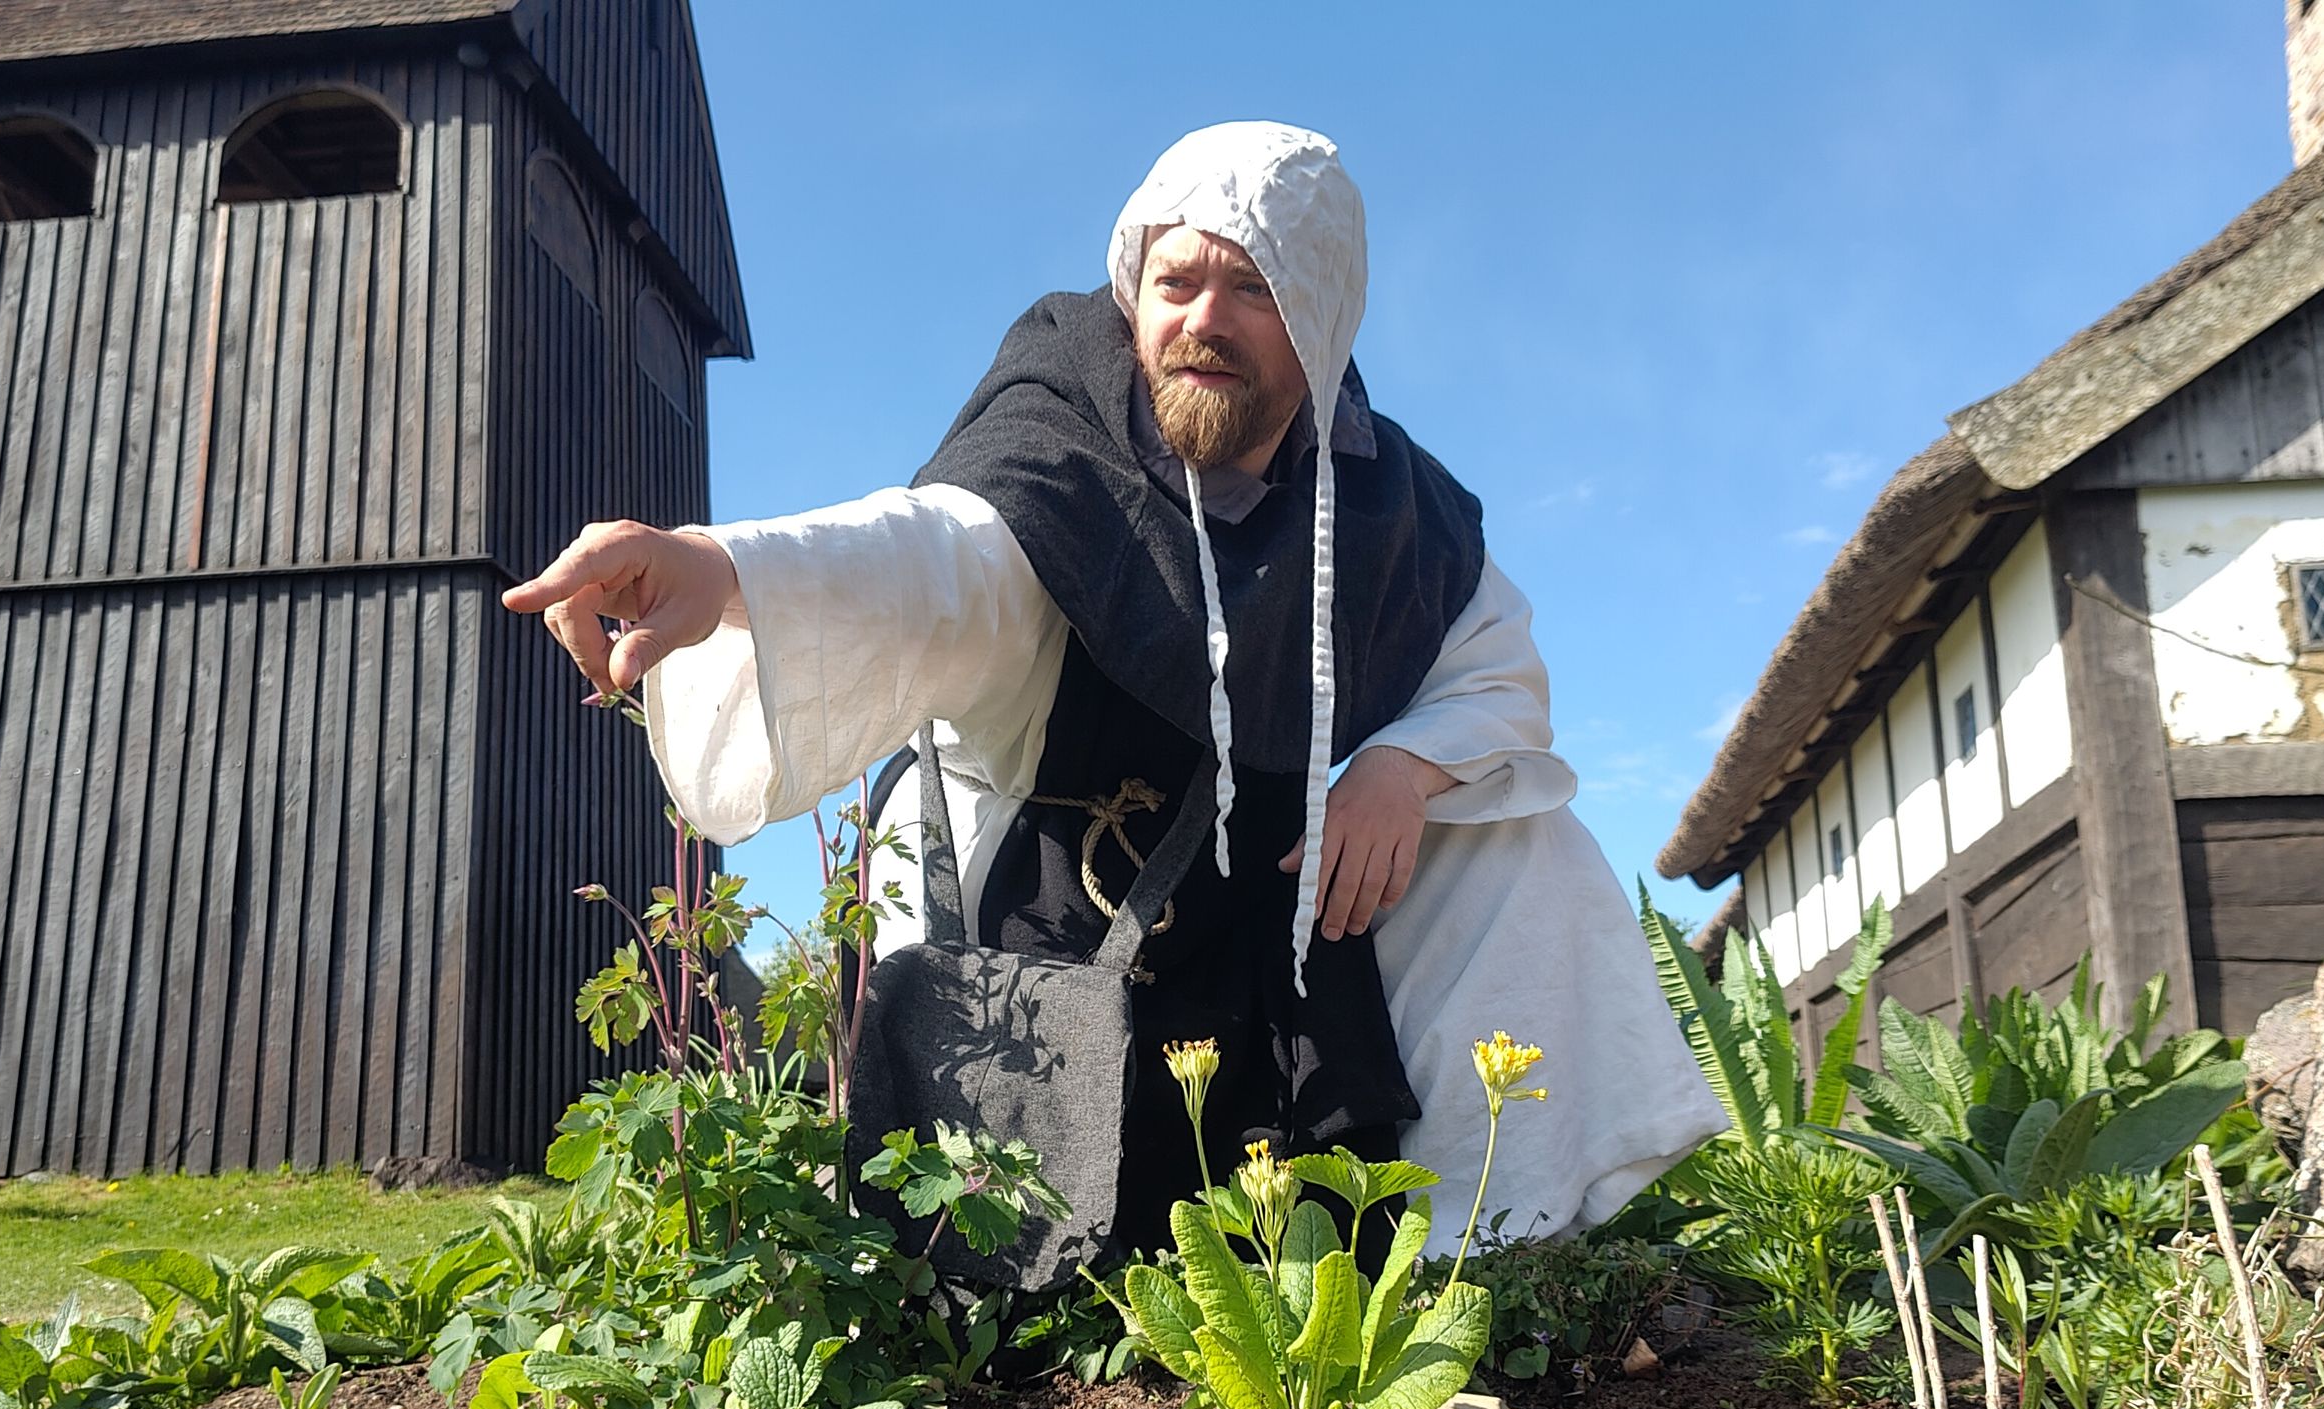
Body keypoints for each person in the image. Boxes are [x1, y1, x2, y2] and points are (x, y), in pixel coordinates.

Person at [504, 121, 1720, 1258]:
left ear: (1325, 319)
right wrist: (723, 571)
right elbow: (934, 560)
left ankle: (1481, 1249)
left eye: (1257, 291)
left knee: (1524, 845)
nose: (1205, 321)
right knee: (993, 1236)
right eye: (1180, 282)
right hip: (1045, 926)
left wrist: (1403, 769)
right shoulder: (1054, 443)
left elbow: (1491, 661)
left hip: (1276, 926)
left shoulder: (1394, 507)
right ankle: (950, 1275)